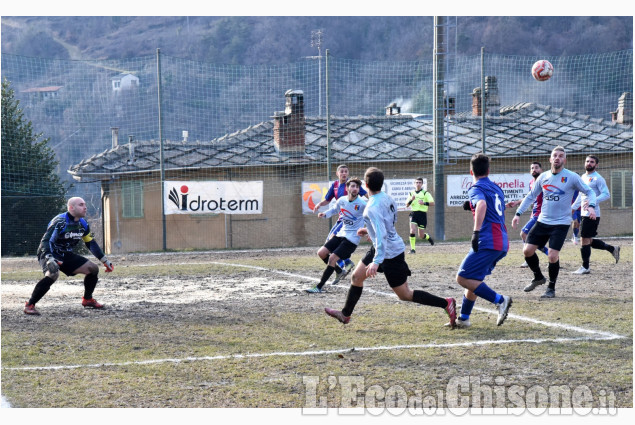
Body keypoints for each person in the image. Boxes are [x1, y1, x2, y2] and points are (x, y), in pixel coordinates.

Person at [324, 167, 457, 327]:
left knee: (405, 294)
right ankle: (345, 314)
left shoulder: (371, 207)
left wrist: (376, 261)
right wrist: (369, 230)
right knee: (356, 277)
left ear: (365, 185)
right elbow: (388, 223)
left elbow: (383, 235)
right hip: (380, 248)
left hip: (390, 253)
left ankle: (446, 303)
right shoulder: (387, 197)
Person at [512, 146, 597, 298]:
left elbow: (589, 191)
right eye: (555, 155)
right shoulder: (543, 177)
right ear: (550, 159)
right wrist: (518, 213)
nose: (557, 158)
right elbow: (531, 196)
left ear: (564, 160)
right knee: (527, 251)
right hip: (543, 221)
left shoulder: (571, 177)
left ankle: (551, 288)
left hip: (561, 223)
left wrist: (591, 206)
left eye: (561, 156)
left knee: (552, 255)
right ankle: (538, 277)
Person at [451, 153, 512, 328]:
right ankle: (464, 318)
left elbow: (482, 205)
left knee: (462, 277)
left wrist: (476, 232)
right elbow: (490, 205)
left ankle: (500, 300)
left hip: (488, 239)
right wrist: (469, 204)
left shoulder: (475, 188)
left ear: (471, 172)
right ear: (488, 170)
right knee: (473, 278)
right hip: (502, 241)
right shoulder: (496, 188)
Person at [23, 197, 114, 315]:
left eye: (85, 204)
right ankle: (30, 305)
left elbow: (90, 243)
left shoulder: (83, 224)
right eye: (81, 205)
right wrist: (50, 259)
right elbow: (45, 242)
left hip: (65, 254)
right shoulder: (60, 222)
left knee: (93, 269)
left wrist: (104, 260)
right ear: (71, 208)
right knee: (53, 274)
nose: (85, 207)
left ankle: (87, 300)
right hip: (48, 252)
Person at [305, 178, 367, 293]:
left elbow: (370, 217)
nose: (355, 189)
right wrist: (325, 214)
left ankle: (318, 287)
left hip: (352, 239)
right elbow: (334, 209)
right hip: (341, 233)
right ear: (348, 188)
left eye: (357, 187)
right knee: (321, 253)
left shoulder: (363, 204)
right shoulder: (342, 200)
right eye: (353, 186)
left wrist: (368, 231)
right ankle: (339, 271)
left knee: (332, 258)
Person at [570, 155, 620, 274]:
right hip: (583, 213)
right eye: (587, 161)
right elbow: (581, 196)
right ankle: (612, 249)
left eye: (592, 162)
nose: (589, 163)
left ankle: (585, 267)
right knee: (588, 240)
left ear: (596, 165)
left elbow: (606, 194)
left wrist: (593, 201)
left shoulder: (598, 178)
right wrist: (573, 207)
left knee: (584, 239)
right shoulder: (582, 177)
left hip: (592, 214)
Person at [506, 161, 549, 267]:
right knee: (530, 237)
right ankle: (543, 255)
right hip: (534, 213)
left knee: (524, 234)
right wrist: (516, 202)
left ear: (541, 170)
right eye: (532, 168)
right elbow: (530, 198)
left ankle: (531, 257)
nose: (534, 169)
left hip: (541, 214)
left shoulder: (545, 182)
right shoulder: (531, 183)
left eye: (536, 168)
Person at [406, 177, 435, 253]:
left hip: (422, 215)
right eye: (417, 182)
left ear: (422, 184)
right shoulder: (411, 193)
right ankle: (413, 249)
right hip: (414, 214)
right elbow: (407, 205)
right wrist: (411, 200)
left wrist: (424, 203)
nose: (418, 184)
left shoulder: (426, 193)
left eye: (419, 182)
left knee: (421, 236)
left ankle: (427, 237)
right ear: (414, 184)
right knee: (412, 230)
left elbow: (433, 203)